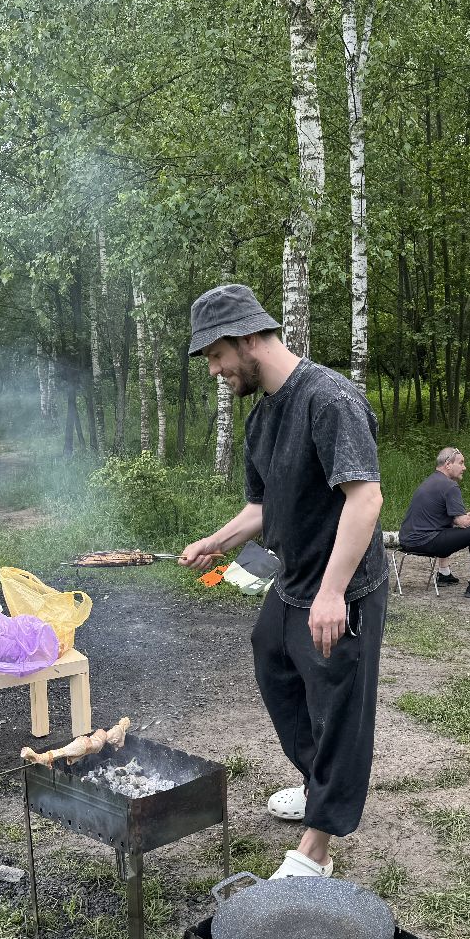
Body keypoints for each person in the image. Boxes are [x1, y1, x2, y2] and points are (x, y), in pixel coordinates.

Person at [179, 284, 388, 880]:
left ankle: (317, 848)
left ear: (247, 339)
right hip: (296, 577)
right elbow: (263, 509)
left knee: (338, 702)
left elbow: (365, 498)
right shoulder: (264, 417)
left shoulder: (328, 399)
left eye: (216, 355)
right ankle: (315, 781)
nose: (215, 370)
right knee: (272, 655)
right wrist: (215, 542)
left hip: (342, 584)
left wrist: (332, 593)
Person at [398, 447, 470, 599]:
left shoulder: (430, 481)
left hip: (408, 540)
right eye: (461, 463)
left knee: (446, 526)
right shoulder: (449, 486)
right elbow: (462, 522)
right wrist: (469, 521)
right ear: (448, 464)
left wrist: (459, 520)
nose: (464, 468)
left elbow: (442, 518)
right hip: (424, 541)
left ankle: (444, 574)